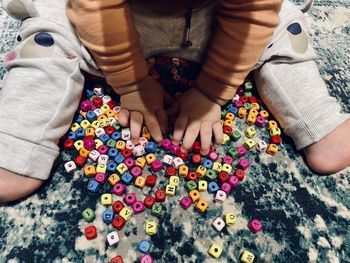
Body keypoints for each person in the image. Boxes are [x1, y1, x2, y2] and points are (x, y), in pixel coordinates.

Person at [0, 0, 348, 203]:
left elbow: (254, 13)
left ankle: (315, 116)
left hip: (212, 25)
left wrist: (213, 89)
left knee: (281, 22)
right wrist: (131, 79)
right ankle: (18, 139)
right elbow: (93, 7)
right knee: (50, 30)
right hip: (102, 24)